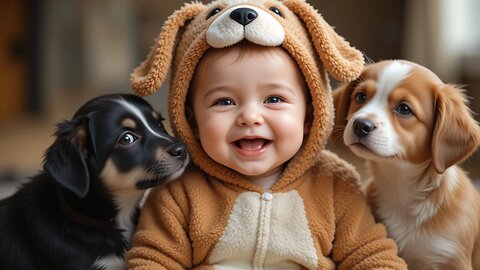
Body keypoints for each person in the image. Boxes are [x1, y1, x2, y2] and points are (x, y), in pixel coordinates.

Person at [127, 1, 407, 269]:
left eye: (273, 99)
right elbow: (153, 259)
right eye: (224, 101)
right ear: (192, 120)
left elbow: (371, 255)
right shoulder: (179, 191)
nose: (250, 117)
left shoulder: (334, 183)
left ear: (310, 115)